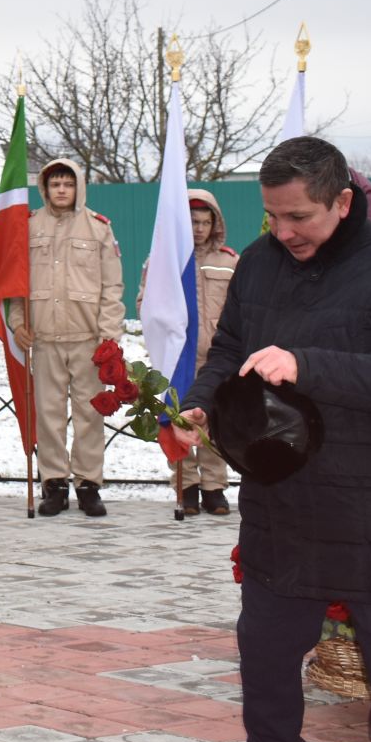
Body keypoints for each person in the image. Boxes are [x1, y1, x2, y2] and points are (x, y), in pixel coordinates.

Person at [168, 136, 371, 742]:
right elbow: (231, 348)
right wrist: (201, 408)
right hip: (283, 500)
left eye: (300, 217)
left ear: (343, 200)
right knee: (265, 653)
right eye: (273, 217)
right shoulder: (261, 262)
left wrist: (307, 364)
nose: (284, 231)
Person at [7, 159, 123, 518]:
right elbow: (14, 284)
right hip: (44, 337)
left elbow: (112, 285)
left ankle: (88, 484)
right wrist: (17, 322)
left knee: (90, 413)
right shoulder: (28, 227)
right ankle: (53, 483)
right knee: (49, 414)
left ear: (78, 188)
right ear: (44, 188)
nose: (61, 190)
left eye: (67, 184)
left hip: (88, 338)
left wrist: (110, 335)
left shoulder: (98, 228)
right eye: (54, 184)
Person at [141, 189, 237, 516]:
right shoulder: (164, 262)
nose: (198, 228)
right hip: (177, 358)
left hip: (215, 357)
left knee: (214, 421)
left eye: (205, 222)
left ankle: (214, 487)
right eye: (192, 221)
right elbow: (146, 303)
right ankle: (186, 485)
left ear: (215, 223)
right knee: (177, 419)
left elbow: (239, 309)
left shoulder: (228, 261)